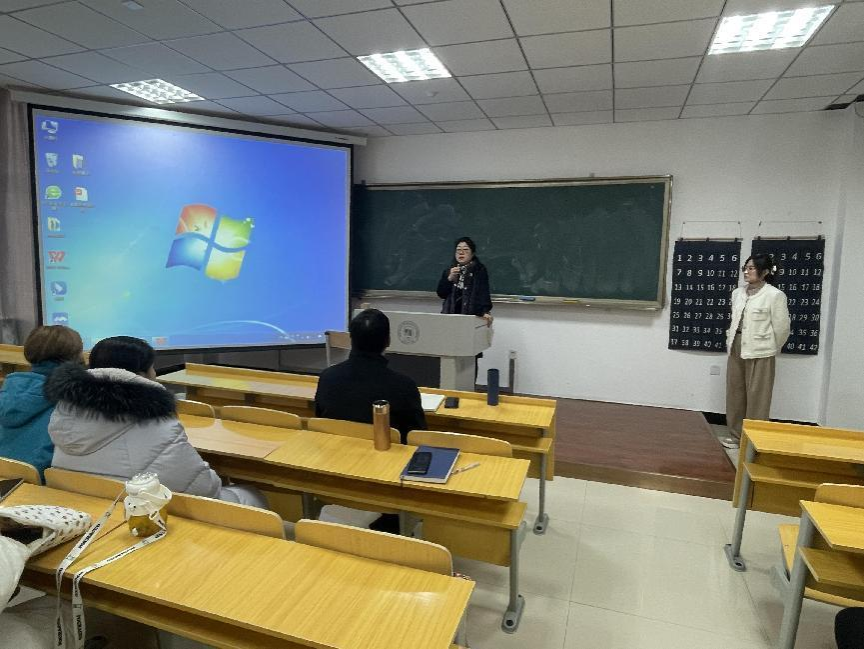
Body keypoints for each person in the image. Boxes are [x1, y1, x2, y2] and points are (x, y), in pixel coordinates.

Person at [45, 336, 266, 507]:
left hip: (92, 506)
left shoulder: (66, 412)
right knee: (252, 495)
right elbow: (203, 489)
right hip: (143, 512)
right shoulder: (155, 421)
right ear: (141, 374)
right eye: (152, 367)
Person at [315, 309, 426, 444]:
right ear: (388, 340)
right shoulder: (404, 386)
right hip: (385, 454)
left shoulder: (327, 377)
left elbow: (320, 420)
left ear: (351, 339)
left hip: (335, 451)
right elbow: (418, 437)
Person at [721, 254, 791, 449]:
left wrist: (770, 347)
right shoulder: (737, 293)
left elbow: (782, 328)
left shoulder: (774, 295)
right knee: (735, 392)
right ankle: (736, 436)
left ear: (765, 272)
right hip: (737, 345)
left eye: (751, 268)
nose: (746, 271)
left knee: (758, 397)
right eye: (745, 267)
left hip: (761, 351)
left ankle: (754, 441)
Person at [0, 325, 83, 481]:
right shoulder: (73, 394)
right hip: (42, 482)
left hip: (5, 476)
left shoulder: (9, 386)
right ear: (75, 356)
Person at [437, 236, 493, 325]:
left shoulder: (479, 270)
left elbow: (483, 292)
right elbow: (441, 294)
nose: (461, 253)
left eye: (465, 250)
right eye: (458, 250)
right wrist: (449, 279)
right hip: (450, 315)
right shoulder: (449, 270)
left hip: (471, 316)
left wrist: (484, 311)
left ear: (472, 254)